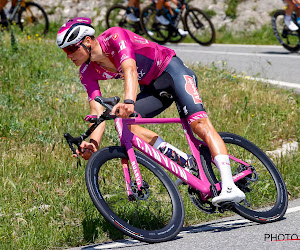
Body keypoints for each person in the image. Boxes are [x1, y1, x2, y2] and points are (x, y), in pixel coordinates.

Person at [56, 17, 245, 206]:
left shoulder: (114, 36)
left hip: (173, 72)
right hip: (153, 89)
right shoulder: (86, 71)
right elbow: (96, 109)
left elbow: (130, 69)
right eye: (65, 51)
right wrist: (93, 144)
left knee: (199, 125)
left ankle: (229, 185)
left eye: (72, 48)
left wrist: (129, 102)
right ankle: (187, 163)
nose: (69, 55)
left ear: (88, 41)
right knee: (127, 124)